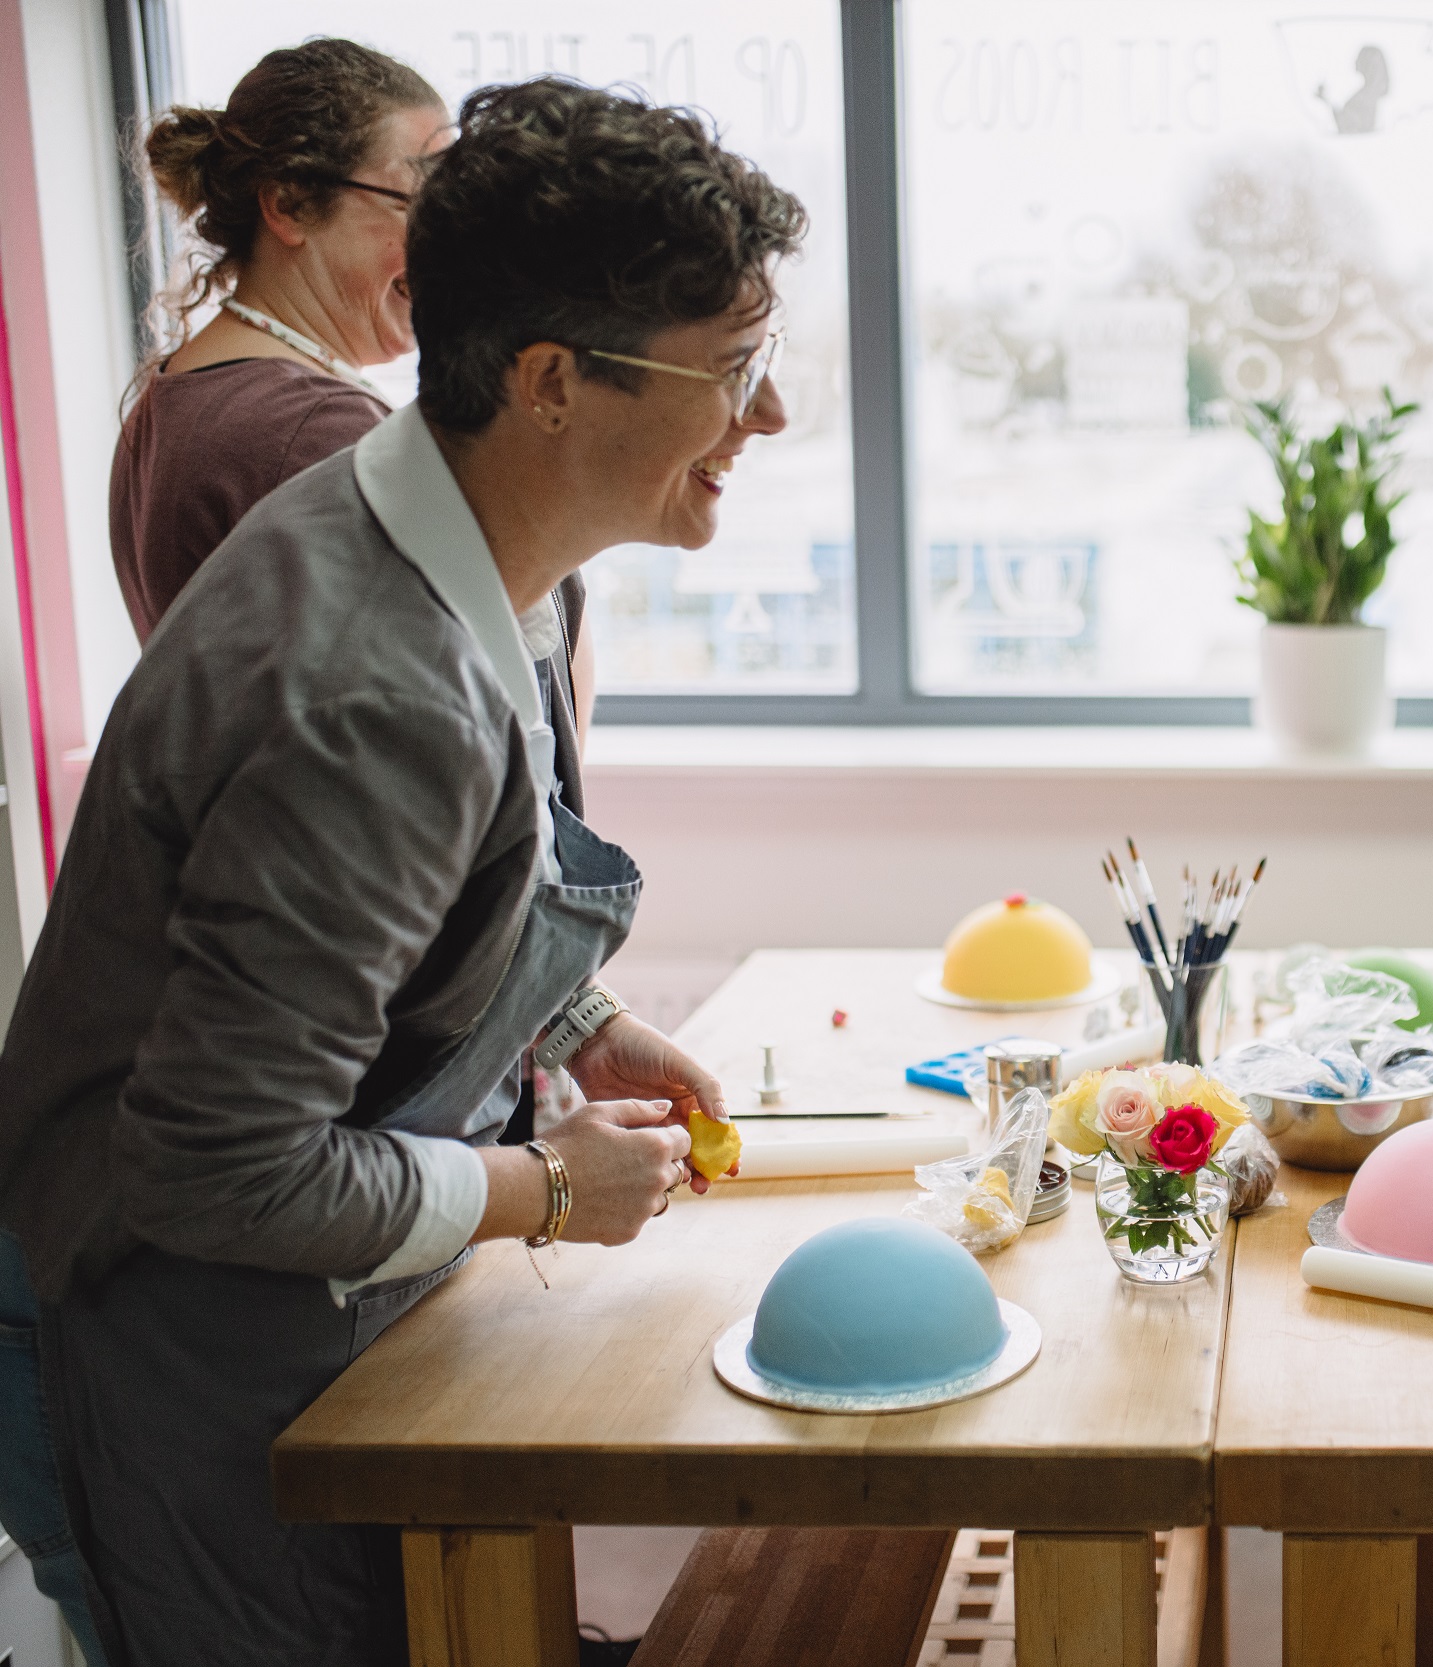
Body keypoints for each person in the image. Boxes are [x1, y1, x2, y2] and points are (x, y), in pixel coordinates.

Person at [0, 78, 800, 1666]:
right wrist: (552, 1184)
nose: (766, 419)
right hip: (174, 1344)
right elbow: (216, 1169)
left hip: (288, 1310)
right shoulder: (367, 685)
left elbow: (399, 904)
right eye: (735, 371)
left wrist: (564, 1028)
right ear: (553, 381)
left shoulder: (478, 549)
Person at [112, 38, 598, 752]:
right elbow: (495, 717)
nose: (450, 245)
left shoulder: (171, 398)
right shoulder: (318, 432)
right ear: (288, 203)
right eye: (423, 204)